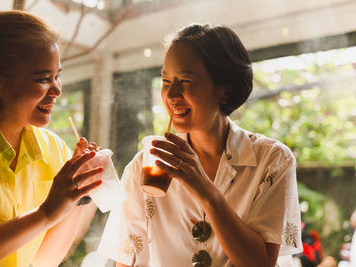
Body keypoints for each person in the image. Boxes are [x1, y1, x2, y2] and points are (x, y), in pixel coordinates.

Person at [97, 23, 302, 267]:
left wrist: (203, 188)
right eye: (165, 80)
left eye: (185, 81)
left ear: (224, 91)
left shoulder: (272, 159)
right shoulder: (145, 165)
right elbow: (127, 262)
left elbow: (260, 264)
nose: (171, 95)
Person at [0, 11, 103, 267]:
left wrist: (78, 194)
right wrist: (45, 213)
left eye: (57, 76)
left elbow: (45, 260)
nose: (57, 90)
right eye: (43, 79)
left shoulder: (54, 148)